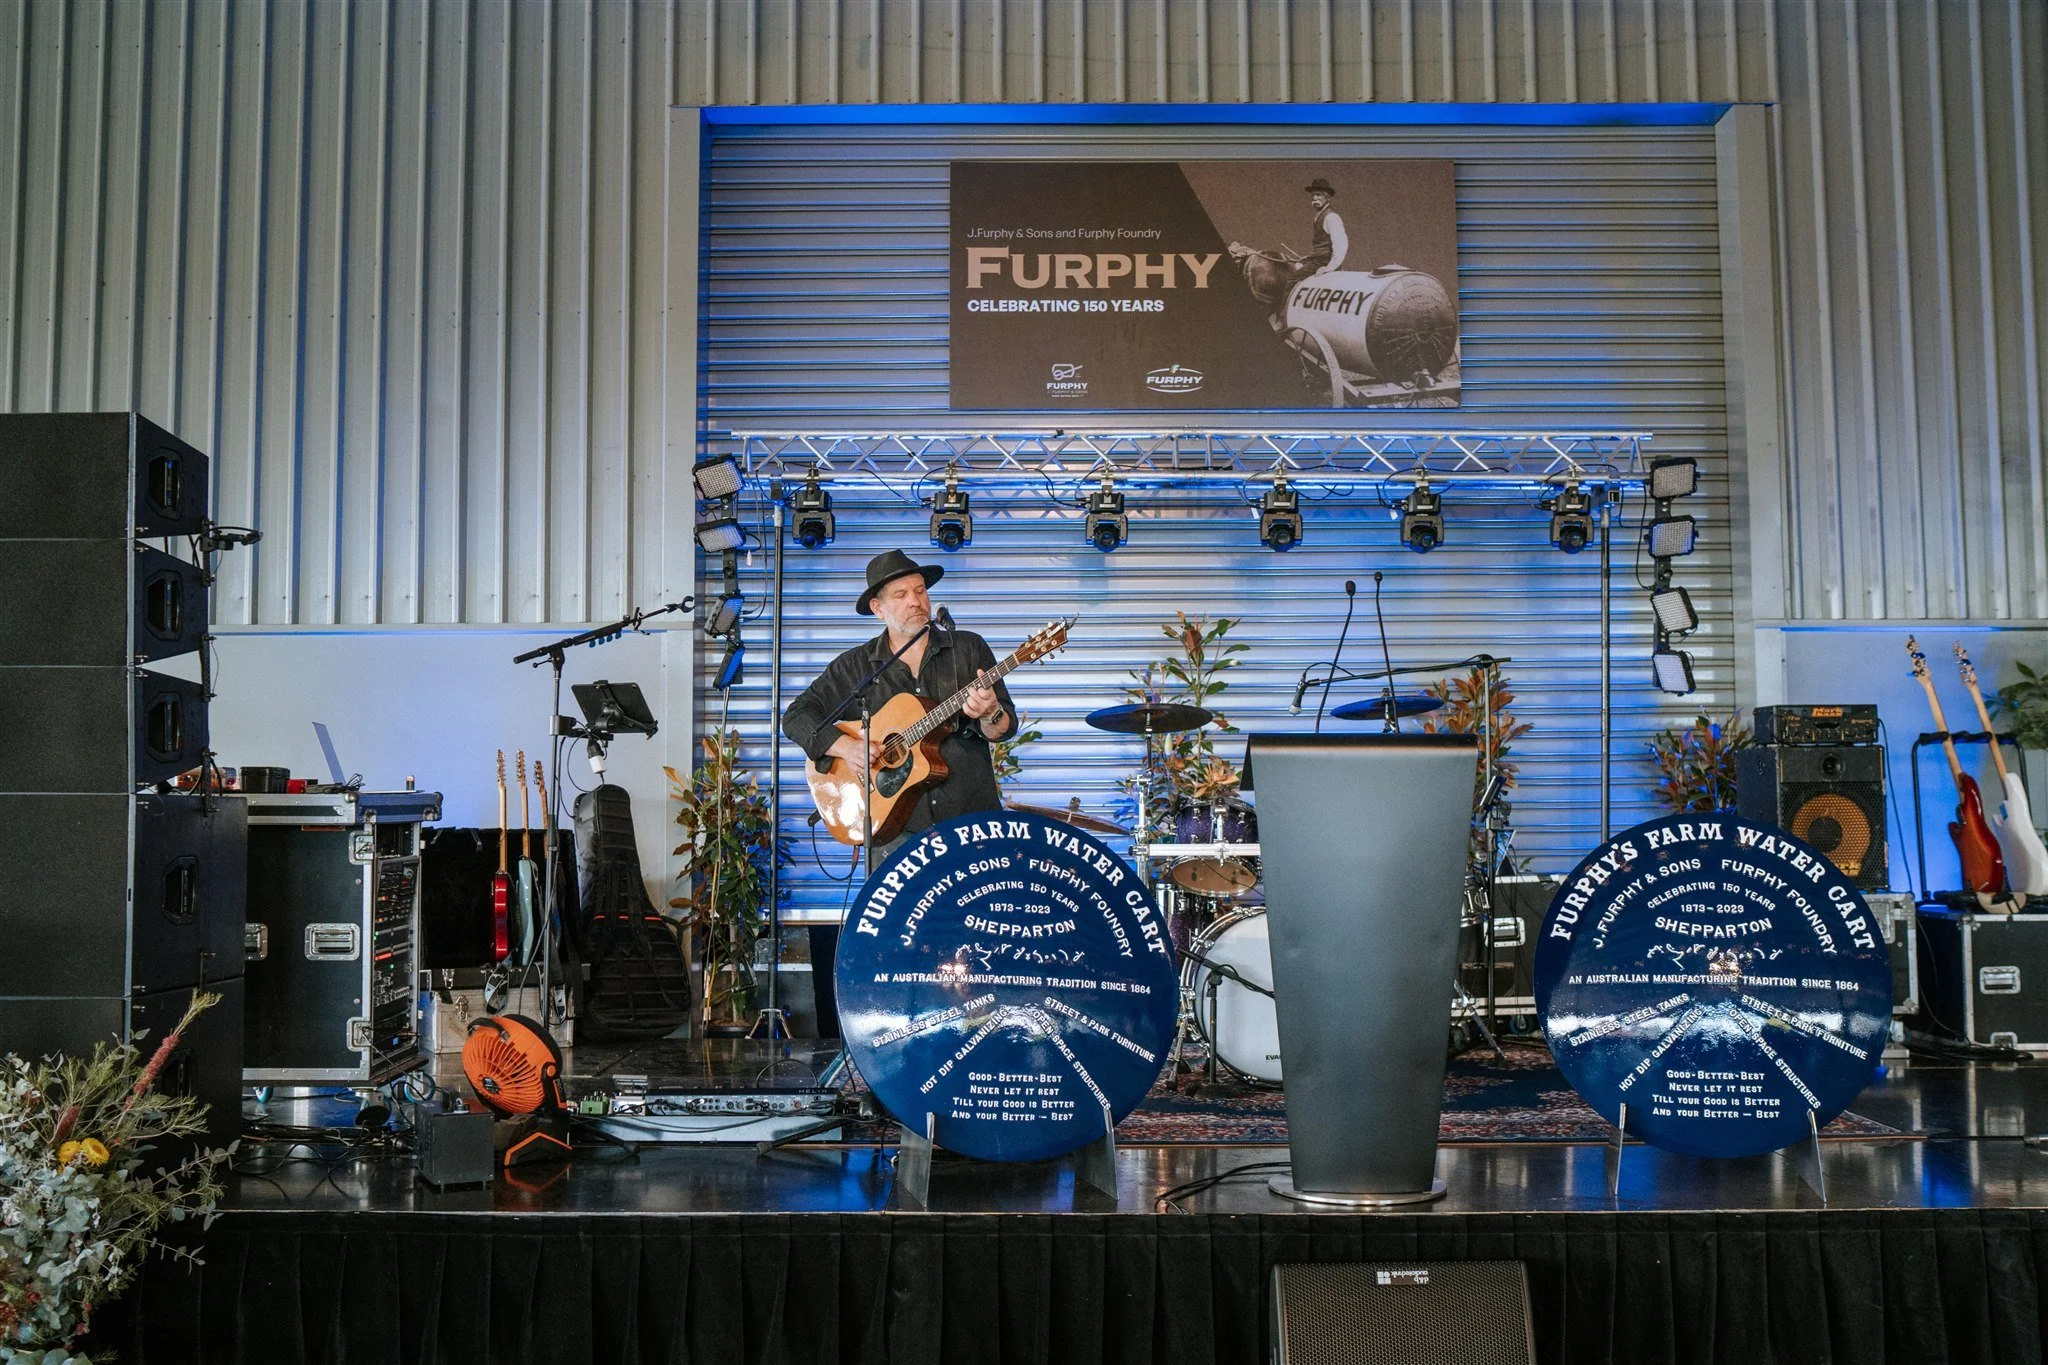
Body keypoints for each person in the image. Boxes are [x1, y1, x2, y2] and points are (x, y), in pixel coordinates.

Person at [782, 549, 1017, 1034]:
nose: (916, 602)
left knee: (974, 939)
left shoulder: (968, 649)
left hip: (968, 818)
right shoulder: (855, 668)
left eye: (921, 591)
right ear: (878, 607)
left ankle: (979, 1039)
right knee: (900, 942)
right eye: (902, 595)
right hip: (893, 829)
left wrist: (989, 710)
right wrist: (846, 746)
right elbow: (797, 717)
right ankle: (902, 1042)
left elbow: (1002, 727)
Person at [1301, 178, 1350, 277]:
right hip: (1318, 259)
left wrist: (1330, 267)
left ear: (1327, 198)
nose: (1314, 198)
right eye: (1312, 195)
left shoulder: (1331, 217)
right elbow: (1321, 246)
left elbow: (1341, 245)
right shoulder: (1318, 216)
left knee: (1291, 280)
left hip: (1324, 262)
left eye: (1318, 194)